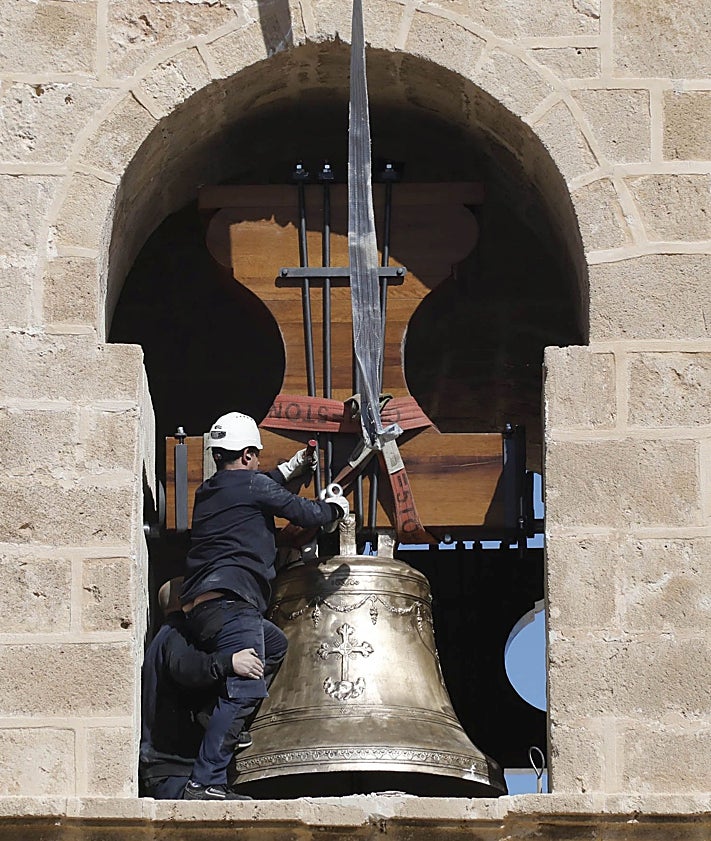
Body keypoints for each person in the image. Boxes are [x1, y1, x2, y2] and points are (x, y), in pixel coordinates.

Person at [180, 411, 348, 800]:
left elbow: (258, 486)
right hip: (234, 604)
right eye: (255, 455)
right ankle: (205, 783)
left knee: (275, 645)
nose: (257, 462)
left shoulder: (209, 491)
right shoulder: (253, 486)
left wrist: (290, 469)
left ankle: (212, 716)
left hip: (203, 609)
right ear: (246, 455)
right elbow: (305, 512)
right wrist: (335, 509)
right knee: (246, 689)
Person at [139, 577, 263, 800]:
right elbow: (186, 668)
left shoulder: (168, 635)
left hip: (171, 772)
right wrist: (230, 662)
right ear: (185, 600)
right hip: (175, 775)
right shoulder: (177, 634)